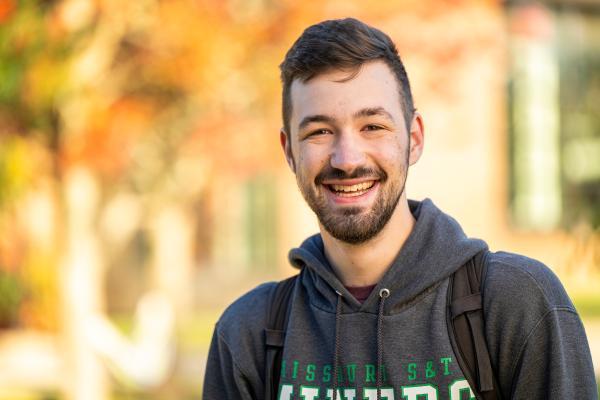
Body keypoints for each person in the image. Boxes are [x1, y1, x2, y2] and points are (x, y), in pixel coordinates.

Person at [202, 18, 597, 399]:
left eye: (372, 126)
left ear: (414, 137)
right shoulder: (248, 335)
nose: (346, 158)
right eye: (319, 131)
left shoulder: (515, 304)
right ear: (290, 151)